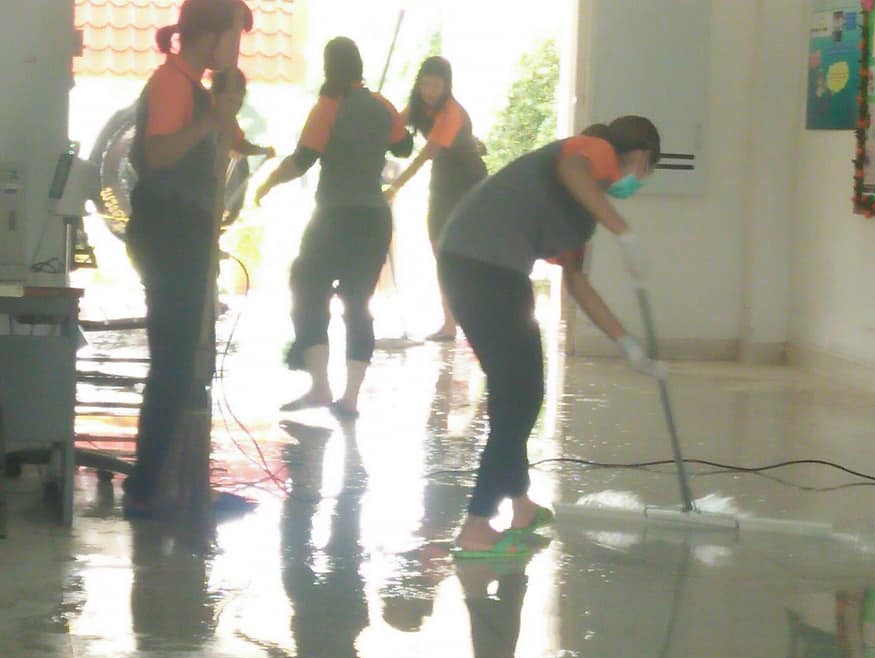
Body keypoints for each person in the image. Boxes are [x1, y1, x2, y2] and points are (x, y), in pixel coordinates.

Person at [437, 116, 665, 555]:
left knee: (512, 391)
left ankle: (520, 505)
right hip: (487, 267)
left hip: (475, 264)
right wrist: (625, 232)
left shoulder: (583, 216)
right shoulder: (593, 149)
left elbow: (577, 282)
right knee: (522, 394)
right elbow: (573, 169)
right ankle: (477, 526)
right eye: (647, 169)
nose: (641, 180)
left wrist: (628, 344)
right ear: (639, 155)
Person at [123, 0, 252, 516]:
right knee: (174, 363)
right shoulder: (171, 84)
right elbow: (157, 155)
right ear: (210, 35)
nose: (236, 50)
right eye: (234, 38)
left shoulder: (194, 87)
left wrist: (222, 123)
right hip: (168, 236)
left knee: (184, 361)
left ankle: (178, 481)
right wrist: (210, 121)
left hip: (184, 235)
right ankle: (147, 489)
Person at [256, 37, 413, 420]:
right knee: (358, 303)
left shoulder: (328, 107)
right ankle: (350, 398)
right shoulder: (381, 106)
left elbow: (303, 159)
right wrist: (385, 124)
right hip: (373, 219)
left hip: (333, 217)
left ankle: (320, 385)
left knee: (307, 289)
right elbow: (404, 147)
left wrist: (269, 182)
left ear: (329, 67)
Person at [384, 56, 487, 341]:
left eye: (436, 86)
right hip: (443, 178)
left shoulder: (451, 112)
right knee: (439, 248)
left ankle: (475, 317)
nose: (429, 91)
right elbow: (394, 126)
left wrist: (395, 187)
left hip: (467, 180)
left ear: (446, 86)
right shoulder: (418, 106)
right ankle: (449, 324)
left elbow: (425, 155)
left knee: (463, 251)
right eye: (425, 84)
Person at [210, 67, 276, 160]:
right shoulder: (203, 116)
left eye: (239, 103)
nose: (235, 109)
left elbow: (240, 145)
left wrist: (264, 151)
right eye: (230, 101)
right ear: (215, 95)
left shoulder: (229, 120)